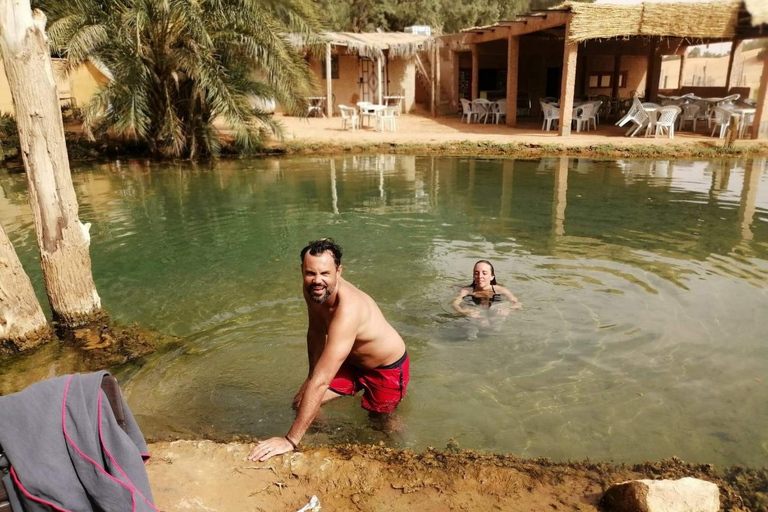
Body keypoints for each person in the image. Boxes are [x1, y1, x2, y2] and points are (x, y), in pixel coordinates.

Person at [248, 239, 409, 462]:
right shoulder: (314, 291)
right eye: (310, 273)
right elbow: (315, 332)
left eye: (325, 273)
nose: (317, 280)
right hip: (350, 361)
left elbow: (322, 382)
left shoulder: (349, 308)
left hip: (385, 367)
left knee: (380, 420)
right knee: (301, 400)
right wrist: (310, 376)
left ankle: (401, 455)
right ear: (302, 270)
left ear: (338, 272)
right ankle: (332, 438)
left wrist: (289, 440)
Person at [453, 260, 521, 318]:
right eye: (476, 273)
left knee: (497, 316)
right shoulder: (466, 291)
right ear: (473, 276)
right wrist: (465, 311)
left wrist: (508, 309)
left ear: (492, 277)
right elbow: (455, 304)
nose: (480, 276)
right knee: (482, 322)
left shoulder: (501, 290)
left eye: (484, 273)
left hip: (495, 312)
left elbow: (517, 304)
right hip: (476, 313)